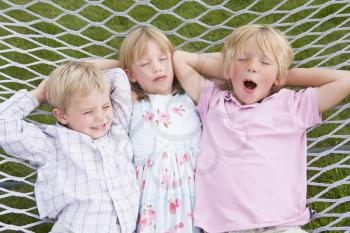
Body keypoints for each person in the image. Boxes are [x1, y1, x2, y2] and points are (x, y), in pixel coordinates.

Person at [173, 24, 350, 233]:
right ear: (227, 68)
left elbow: (345, 80)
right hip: (225, 227)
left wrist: (283, 76)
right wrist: (231, 67)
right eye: (243, 59)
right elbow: (180, 58)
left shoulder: (292, 107)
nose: (252, 67)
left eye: (264, 62)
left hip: (280, 225)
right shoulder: (213, 101)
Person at [0, 61, 139, 233]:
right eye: (88, 112)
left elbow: (118, 75)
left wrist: (83, 72)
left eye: (105, 106)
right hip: (76, 227)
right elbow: (3, 123)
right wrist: (40, 93)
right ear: (62, 116)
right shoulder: (53, 144)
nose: (101, 117)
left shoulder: (117, 127)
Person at [90, 26, 202, 233]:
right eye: (145, 63)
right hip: (150, 199)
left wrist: (177, 63)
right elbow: (84, 69)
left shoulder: (192, 96)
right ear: (130, 74)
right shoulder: (132, 100)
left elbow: (227, 70)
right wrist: (125, 68)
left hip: (191, 196)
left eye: (163, 59)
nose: (157, 68)